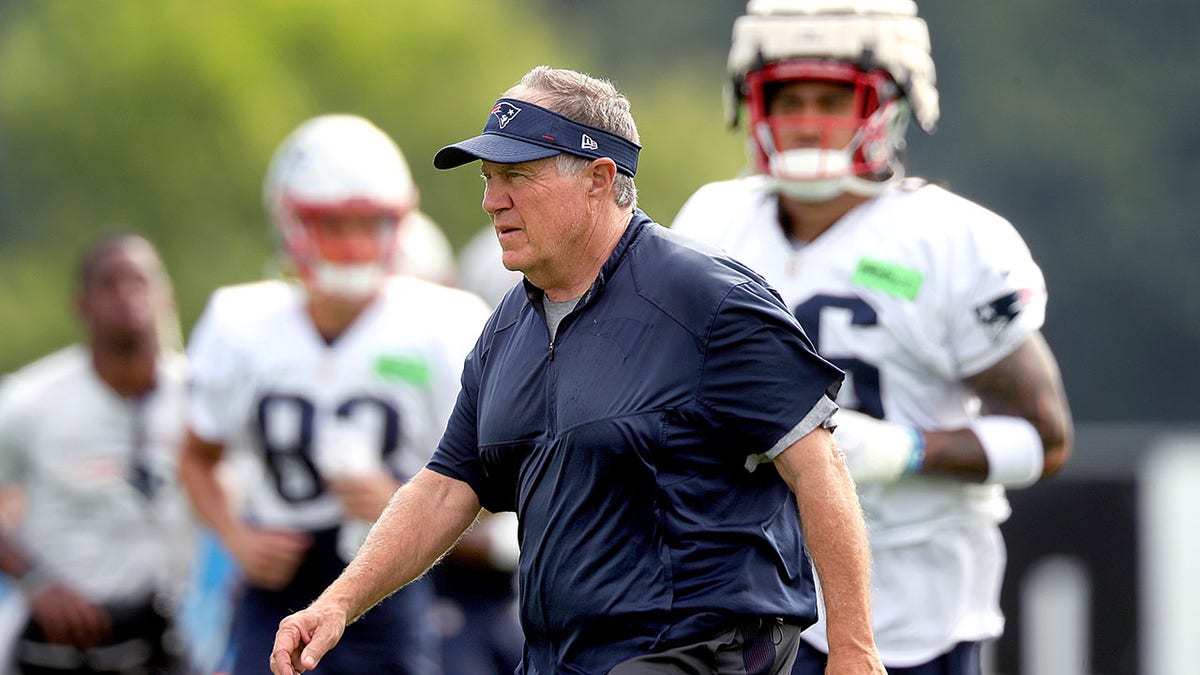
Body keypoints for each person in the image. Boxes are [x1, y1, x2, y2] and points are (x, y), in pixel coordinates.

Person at [270, 65, 886, 675]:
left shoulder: (706, 298)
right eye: (488, 179)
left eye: (516, 175)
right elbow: (445, 488)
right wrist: (337, 604)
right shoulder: (507, 326)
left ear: (598, 179)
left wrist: (854, 650)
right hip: (557, 658)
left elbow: (818, 464)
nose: (491, 201)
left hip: (698, 651)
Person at [670, 1, 1075, 673]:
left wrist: (903, 449)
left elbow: (1044, 439)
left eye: (831, 98)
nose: (805, 121)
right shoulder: (713, 221)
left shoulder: (954, 240)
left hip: (912, 601)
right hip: (742, 589)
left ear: (890, 103)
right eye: (786, 97)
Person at [178, 114, 491, 675]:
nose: (352, 244)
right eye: (334, 224)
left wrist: (402, 504)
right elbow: (196, 456)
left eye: (368, 224)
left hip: (390, 588)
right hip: (277, 588)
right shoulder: (239, 323)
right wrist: (237, 538)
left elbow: (494, 477)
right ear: (291, 221)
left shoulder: (443, 325)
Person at [0, 232, 197, 674]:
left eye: (140, 281)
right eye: (109, 283)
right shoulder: (32, 402)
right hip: (60, 646)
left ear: (166, 295)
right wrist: (35, 580)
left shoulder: (197, 397)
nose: (126, 296)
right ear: (81, 304)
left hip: (159, 638)